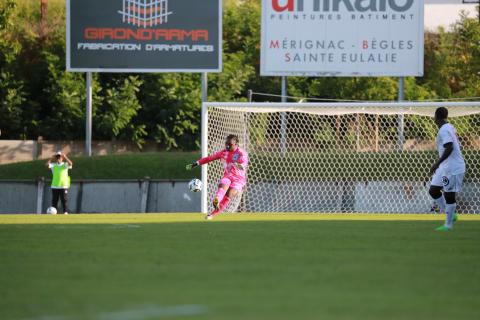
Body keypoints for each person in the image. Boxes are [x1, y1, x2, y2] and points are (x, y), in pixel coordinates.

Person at [186, 134, 248, 220]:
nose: (227, 145)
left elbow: (243, 165)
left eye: (230, 144)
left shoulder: (241, 153)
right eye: (226, 143)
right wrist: (195, 164)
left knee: (229, 195)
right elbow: (209, 158)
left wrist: (238, 165)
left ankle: (212, 214)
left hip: (239, 179)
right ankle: (216, 200)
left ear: (236, 144)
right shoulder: (223, 152)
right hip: (228, 176)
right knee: (222, 186)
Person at [429, 107, 465, 231]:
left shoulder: (444, 130)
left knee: (449, 195)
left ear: (436, 117)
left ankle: (448, 225)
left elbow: (449, 147)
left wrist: (437, 163)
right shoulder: (449, 127)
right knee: (433, 190)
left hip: (453, 167)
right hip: (445, 167)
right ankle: (451, 214)